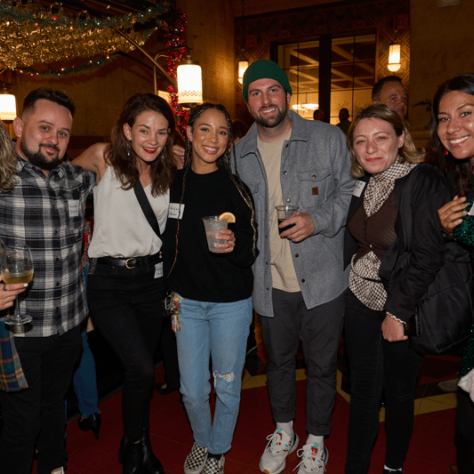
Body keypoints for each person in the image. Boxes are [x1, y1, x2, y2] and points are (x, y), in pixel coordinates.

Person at [234, 59, 354, 474]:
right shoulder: (238, 154)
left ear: (287, 94)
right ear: (247, 103)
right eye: (255, 92)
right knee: (279, 364)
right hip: (268, 283)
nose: (265, 99)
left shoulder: (327, 138)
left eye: (273, 90)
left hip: (322, 282)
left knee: (322, 366)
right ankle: (284, 431)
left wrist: (315, 220)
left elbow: (347, 193)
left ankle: (316, 441)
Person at [342, 103, 471, 474]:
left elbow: (428, 255)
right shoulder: (364, 184)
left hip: (404, 306)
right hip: (360, 300)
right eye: (361, 141)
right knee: (364, 393)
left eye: (381, 138)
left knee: (399, 393)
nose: (370, 149)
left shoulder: (422, 181)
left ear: (401, 138)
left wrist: (397, 313)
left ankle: (393, 466)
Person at [73, 93, 175, 474]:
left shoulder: (168, 171)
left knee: (140, 371)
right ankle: (137, 446)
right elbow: (58, 180)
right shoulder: (104, 157)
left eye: (162, 132)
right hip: (109, 284)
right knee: (143, 370)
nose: (153, 139)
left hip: (151, 282)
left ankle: (136, 439)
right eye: (144, 129)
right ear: (128, 130)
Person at [0, 88, 95, 474]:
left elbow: (105, 157)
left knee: (57, 407)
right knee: (21, 425)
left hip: (68, 327)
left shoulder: (75, 179)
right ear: (20, 127)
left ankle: (56, 467)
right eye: (44, 128)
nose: (53, 140)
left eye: (63, 133)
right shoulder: (3, 180)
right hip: (19, 331)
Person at [162, 103, 257, 474]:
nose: (212, 139)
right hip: (185, 303)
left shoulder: (236, 187)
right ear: (188, 133)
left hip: (230, 303)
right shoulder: (172, 184)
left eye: (221, 132)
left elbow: (253, 245)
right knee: (192, 390)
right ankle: (202, 440)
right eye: (204, 129)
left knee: (228, 383)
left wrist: (236, 247)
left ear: (229, 140)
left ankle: (218, 448)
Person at [427, 73, 474, 474]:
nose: (452, 127)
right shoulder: (461, 178)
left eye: (465, 113)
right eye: (443, 118)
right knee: (465, 436)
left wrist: (456, 227)